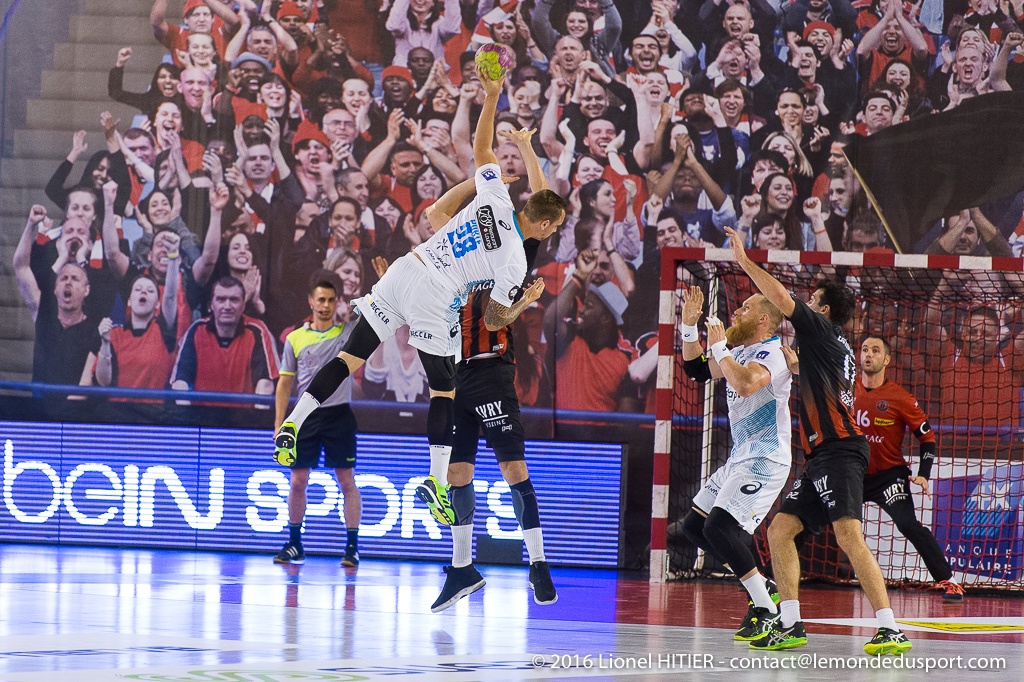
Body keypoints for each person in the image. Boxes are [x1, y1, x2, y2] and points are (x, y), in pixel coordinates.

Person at [273, 65, 567, 529]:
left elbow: (482, 148)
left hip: (407, 268)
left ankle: (295, 420)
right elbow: (493, 320)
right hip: (436, 297)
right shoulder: (515, 260)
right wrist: (524, 303)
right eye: (553, 226)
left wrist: (492, 95)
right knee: (443, 388)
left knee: (350, 357)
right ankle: (434, 479)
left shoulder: (495, 197)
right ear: (545, 226)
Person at [723, 225, 912, 655]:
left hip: (839, 451)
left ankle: (890, 628)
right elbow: (825, 382)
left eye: (811, 302)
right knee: (780, 530)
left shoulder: (820, 330)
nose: (804, 306)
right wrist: (797, 364)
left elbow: (780, 297)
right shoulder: (834, 346)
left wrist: (745, 261)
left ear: (822, 310)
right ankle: (791, 623)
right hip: (822, 455)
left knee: (849, 536)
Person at [677, 284, 791, 641]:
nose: (736, 312)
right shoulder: (739, 351)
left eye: (745, 308)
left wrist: (718, 347)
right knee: (694, 528)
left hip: (766, 458)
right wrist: (688, 327)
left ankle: (767, 609)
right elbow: (696, 371)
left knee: (718, 528)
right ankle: (763, 587)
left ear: (763, 319)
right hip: (741, 456)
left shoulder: (774, 353)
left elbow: (745, 385)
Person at [856, 335, 963, 602]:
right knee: (813, 517)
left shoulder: (900, 398)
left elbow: (927, 437)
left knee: (908, 525)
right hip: (852, 474)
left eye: (875, 351)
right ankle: (771, 576)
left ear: (887, 360)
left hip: (889, 476)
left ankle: (949, 581)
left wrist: (924, 474)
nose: (868, 354)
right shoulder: (846, 391)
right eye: (865, 349)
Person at [273, 277, 361, 567]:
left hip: (339, 415)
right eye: (320, 300)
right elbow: (285, 383)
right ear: (311, 301)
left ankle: (352, 548)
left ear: (338, 303)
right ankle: (294, 544)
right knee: (297, 481)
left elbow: (375, 316)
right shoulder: (295, 338)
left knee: (346, 481)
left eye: (331, 300)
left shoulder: (347, 333)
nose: (325, 305)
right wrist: (280, 424)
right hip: (305, 419)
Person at [170, 275, 279, 397]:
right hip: (202, 409)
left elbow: (265, 384)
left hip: (245, 409)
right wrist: (184, 409)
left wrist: (258, 409)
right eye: (221, 299)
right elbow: (180, 382)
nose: (227, 306)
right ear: (211, 305)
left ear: (243, 306)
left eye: (234, 300)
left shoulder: (258, 330)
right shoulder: (196, 330)